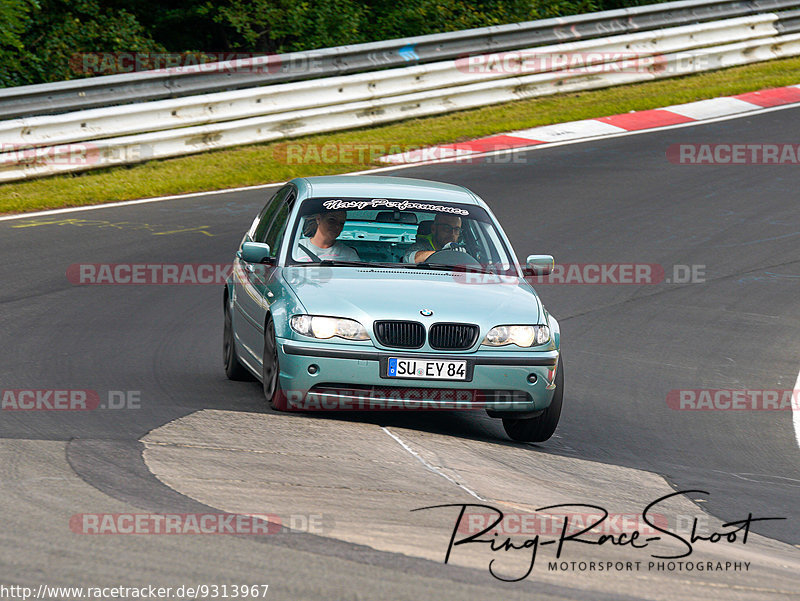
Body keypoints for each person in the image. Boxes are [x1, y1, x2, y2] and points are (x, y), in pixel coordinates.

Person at [295, 210, 360, 262]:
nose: (337, 226)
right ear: (318, 219)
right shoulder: (295, 248)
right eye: (332, 220)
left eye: (341, 223)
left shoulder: (349, 255)